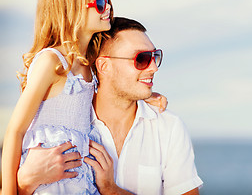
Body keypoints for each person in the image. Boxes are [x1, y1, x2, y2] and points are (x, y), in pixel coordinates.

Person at [1, 0, 166, 195]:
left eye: (106, 0)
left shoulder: (89, 64)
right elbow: (16, 130)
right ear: (72, 10)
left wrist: (147, 94)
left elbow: (113, 91)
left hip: (77, 176)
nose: (107, 7)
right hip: (50, 178)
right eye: (99, 2)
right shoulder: (52, 61)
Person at [17, 17, 203, 194]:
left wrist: (111, 190)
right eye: (142, 59)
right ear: (104, 66)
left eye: (155, 56)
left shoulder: (169, 127)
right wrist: (25, 183)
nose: (153, 67)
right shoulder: (64, 126)